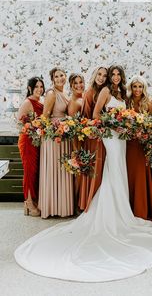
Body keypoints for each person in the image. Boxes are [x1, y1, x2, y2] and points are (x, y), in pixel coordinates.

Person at [14, 65, 152, 282]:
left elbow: (125, 113)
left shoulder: (122, 93)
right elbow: (96, 115)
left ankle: (121, 209)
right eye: (110, 74)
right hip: (111, 137)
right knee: (113, 170)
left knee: (119, 171)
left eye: (116, 74)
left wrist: (126, 124)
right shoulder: (104, 91)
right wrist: (113, 124)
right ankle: (110, 212)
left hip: (121, 138)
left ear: (121, 77)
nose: (113, 77)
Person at [38, 67, 74, 218]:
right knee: (53, 169)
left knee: (62, 169)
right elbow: (45, 117)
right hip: (53, 137)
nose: (59, 78)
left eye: (62, 75)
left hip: (64, 136)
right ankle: (51, 207)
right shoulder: (51, 93)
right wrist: (52, 133)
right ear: (52, 79)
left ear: (65, 77)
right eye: (56, 76)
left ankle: (63, 207)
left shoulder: (65, 93)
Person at [126, 75, 152, 221]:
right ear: (131, 88)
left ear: (144, 88)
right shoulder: (127, 102)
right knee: (129, 174)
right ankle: (128, 208)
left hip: (142, 145)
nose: (137, 89)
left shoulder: (148, 104)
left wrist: (146, 135)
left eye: (140, 86)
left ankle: (141, 208)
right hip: (128, 144)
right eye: (135, 86)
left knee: (140, 174)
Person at [78, 67, 107, 211]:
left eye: (104, 75)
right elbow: (85, 118)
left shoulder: (106, 92)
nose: (101, 78)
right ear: (95, 75)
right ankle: (88, 204)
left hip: (104, 138)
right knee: (93, 170)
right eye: (99, 74)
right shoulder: (89, 93)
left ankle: (101, 203)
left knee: (102, 170)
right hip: (92, 137)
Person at [18, 77, 44, 216]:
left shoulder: (40, 102)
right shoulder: (27, 102)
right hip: (27, 140)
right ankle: (28, 202)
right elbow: (20, 121)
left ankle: (31, 201)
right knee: (28, 171)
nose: (39, 89)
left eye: (41, 86)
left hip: (36, 140)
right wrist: (33, 125)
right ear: (30, 88)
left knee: (34, 172)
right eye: (36, 87)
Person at [67, 73, 85, 214]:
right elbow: (73, 128)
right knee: (78, 173)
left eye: (81, 82)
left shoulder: (83, 97)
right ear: (71, 86)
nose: (79, 85)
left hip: (86, 140)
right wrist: (75, 149)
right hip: (78, 142)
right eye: (76, 83)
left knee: (84, 173)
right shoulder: (73, 102)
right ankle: (76, 205)